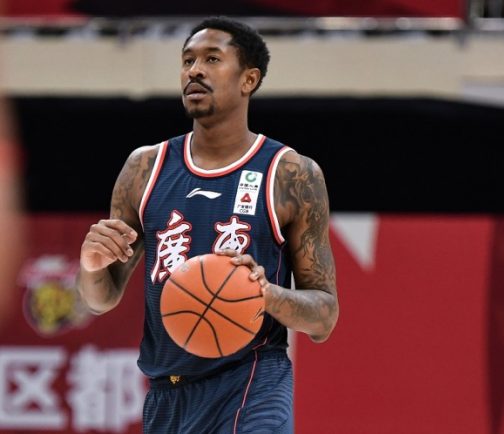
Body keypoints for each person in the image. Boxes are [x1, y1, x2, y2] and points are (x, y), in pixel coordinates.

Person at [76, 16, 339, 434]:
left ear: (249, 79)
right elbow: (101, 299)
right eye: (187, 60)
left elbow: (324, 317)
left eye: (212, 59)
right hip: (167, 394)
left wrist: (263, 295)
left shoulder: (290, 174)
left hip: (251, 382)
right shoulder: (144, 168)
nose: (194, 71)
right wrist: (91, 266)